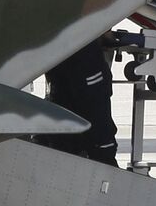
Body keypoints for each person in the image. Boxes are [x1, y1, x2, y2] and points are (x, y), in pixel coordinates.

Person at [35, 38, 118, 167]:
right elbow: (95, 107)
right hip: (79, 148)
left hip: (57, 141)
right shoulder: (85, 52)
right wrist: (105, 150)